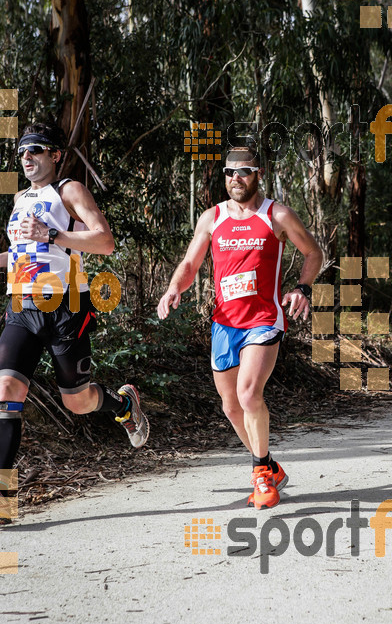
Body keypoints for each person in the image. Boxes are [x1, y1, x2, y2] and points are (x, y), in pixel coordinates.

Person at [158, 144, 323, 509]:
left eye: (244, 171)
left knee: (250, 395)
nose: (236, 178)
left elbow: (314, 252)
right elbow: (190, 263)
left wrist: (302, 288)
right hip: (225, 323)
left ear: (258, 174)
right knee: (232, 406)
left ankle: (261, 473)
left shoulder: (276, 215)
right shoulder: (212, 218)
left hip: (263, 319)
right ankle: (269, 465)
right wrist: (174, 287)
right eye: (230, 172)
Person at [0, 123, 149, 524]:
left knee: (77, 402)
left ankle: (123, 403)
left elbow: (105, 241)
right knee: (6, 390)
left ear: (55, 155)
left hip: (67, 308)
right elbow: (21, 254)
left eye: (35, 150)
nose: (27, 157)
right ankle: (3, 503)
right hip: (23, 306)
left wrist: (53, 233)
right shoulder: (19, 198)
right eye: (22, 153)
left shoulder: (68, 190)